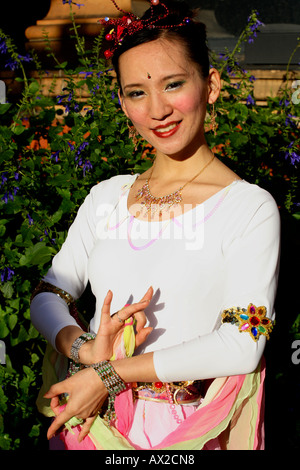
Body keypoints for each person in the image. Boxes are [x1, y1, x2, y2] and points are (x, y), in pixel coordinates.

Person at [30, 0, 280, 450]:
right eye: (137, 92)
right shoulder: (106, 197)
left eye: (174, 84)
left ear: (212, 85)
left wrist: (108, 374)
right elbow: (50, 295)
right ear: (123, 103)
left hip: (187, 433)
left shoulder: (249, 208)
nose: (158, 109)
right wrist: (85, 349)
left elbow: (244, 343)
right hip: (93, 425)